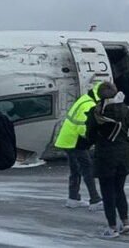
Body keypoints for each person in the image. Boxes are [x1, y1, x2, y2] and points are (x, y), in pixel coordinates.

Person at [85, 91, 129, 238]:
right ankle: (125, 222)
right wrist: (128, 143)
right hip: (124, 156)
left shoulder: (97, 111)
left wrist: (88, 143)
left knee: (107, 192)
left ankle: (112, 227)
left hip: (105, 157)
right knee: (119, 190)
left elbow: (90, 135)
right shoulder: (124, 109)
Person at [54, 82, 115, 210]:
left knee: (75, 169)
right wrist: (95, 139)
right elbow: (84, 127)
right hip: (76, 141)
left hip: (67, 139)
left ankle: (73, 198)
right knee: (87, 169)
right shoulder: (89, 106)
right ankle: (95, 200)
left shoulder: (86, 98)